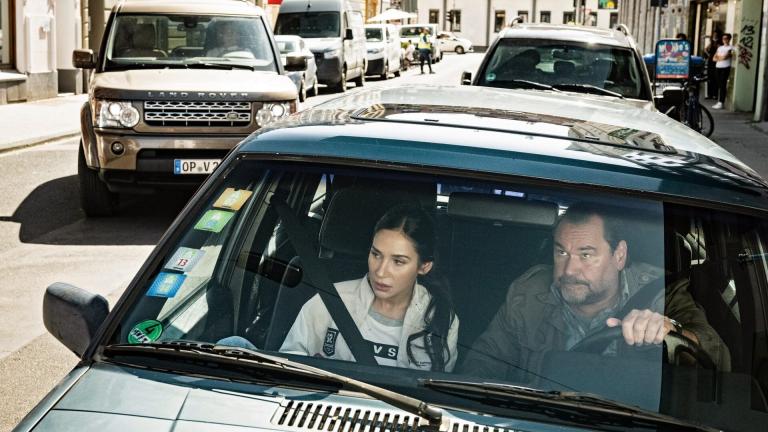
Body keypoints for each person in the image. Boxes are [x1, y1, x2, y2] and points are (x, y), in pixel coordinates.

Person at [461, 202, 730, 380]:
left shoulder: (661, 293)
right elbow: (481, 364)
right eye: (561, 252)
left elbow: (719, 358)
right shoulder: (529, 294)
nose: (569, 270)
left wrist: (671, 331)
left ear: (619, 255)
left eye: (586, 255)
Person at [280, 204, 460, 371]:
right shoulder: (328, 300)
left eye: (398, 261)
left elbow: (437, 389)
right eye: (376, 254)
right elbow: (287, 369)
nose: (380, 272)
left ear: (424, 267)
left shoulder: (441, 318)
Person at [712, 33, 734, 110]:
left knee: (722, 85)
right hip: (718, 67)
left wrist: (719, 57)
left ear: (729, 39)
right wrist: (721, 57)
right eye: (723, 38)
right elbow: (714, 58)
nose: (724, 40)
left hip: (725, 67)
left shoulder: (731, 48)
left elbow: (726, 57)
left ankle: (721, 102)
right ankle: (719, 101)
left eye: (726, 38)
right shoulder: (720, 48)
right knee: (719, 84)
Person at [704, 30, 723, 100]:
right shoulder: (711, 42)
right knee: (710, 78)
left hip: (717, 62)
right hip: (710, 62)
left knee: (716, 78)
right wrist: (708, 55)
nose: (715, 35)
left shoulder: (720, 43)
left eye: (716, 34)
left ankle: (715, 94)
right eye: (714, 34)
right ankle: (709, 94)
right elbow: (705, 49)